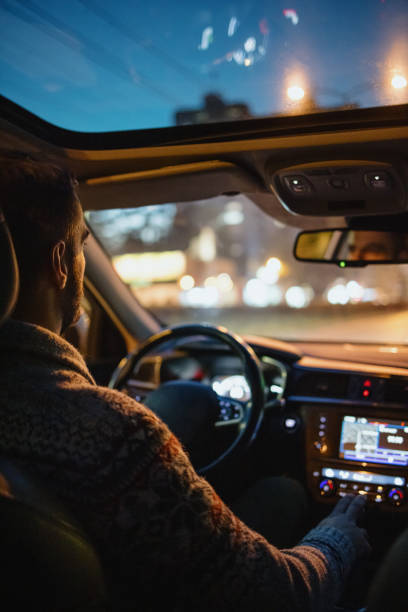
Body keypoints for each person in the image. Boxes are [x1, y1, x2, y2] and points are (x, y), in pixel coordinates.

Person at [0, 153, 370, 611]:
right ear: (61, 261)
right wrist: (338, 539)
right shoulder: (112, 436)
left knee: (280, 492)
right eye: (80, 244)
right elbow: (279, 595)